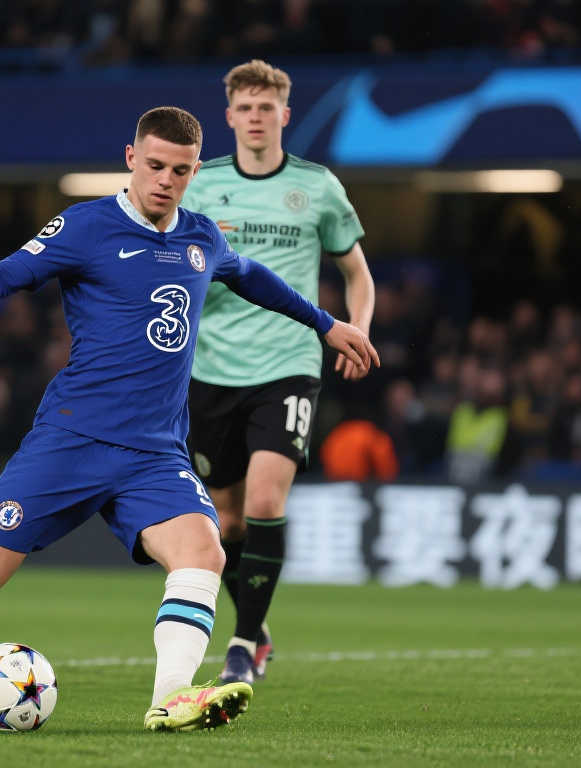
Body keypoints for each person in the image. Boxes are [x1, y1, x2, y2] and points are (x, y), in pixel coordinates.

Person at [0, 106, 378, 732]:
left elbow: (253, 277)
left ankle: (171, 697)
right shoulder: (86, 226)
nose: (165, 180)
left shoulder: (203, 238)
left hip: (155, 453)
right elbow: (10, 272)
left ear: (194, 172)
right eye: (155, 165)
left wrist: (326, 324)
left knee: (203, 553)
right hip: (73, 439)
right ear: (131, 159)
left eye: (180, 170)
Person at [180, 60, 376, 685]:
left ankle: (241, 646)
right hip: (210, 368)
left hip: (289, 363)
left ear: (285, 115)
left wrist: (357, 328)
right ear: (230, 116)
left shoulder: (317, 187)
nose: (256, 117)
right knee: (227, 521)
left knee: (266, 501)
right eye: (246, 107)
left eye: (267, 107)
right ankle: (257, 624)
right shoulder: (202, 186)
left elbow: (357, 273)